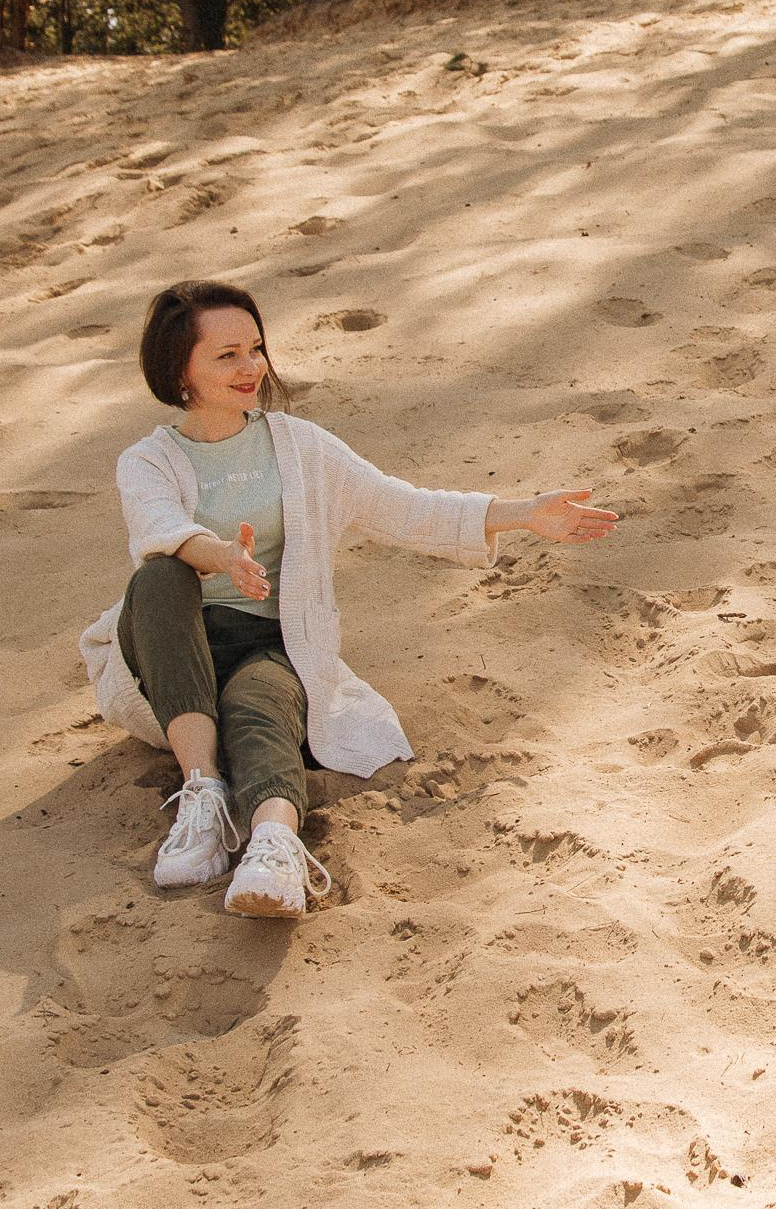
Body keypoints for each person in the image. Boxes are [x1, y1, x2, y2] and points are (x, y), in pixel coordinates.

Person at [79, 279, 617, 918]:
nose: (250, 367)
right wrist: (218, 556)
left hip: (272, 640)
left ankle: (274, 845)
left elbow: (402, 507)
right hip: (174, 639)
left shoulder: (299, 446)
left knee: (258, 711)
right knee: (159, 577)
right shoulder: (147, 460)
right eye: (226, 355)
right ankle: (203, 797)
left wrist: (524, 513)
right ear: (179, 368)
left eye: (255, 349)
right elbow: (158, 532)